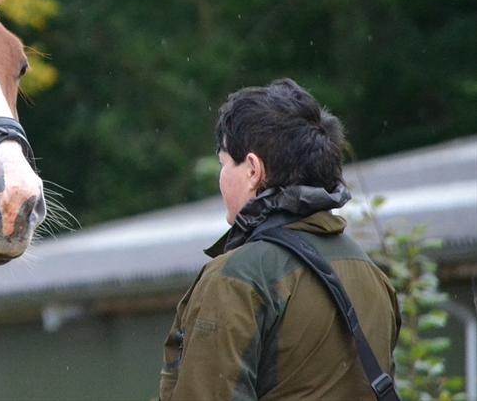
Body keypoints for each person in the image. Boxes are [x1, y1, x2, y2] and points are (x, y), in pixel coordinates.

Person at [160, 78, 400, 400]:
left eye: (224, 163)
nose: (221, 178)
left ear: (253, 170)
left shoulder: (236, 278)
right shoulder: (372, 275)